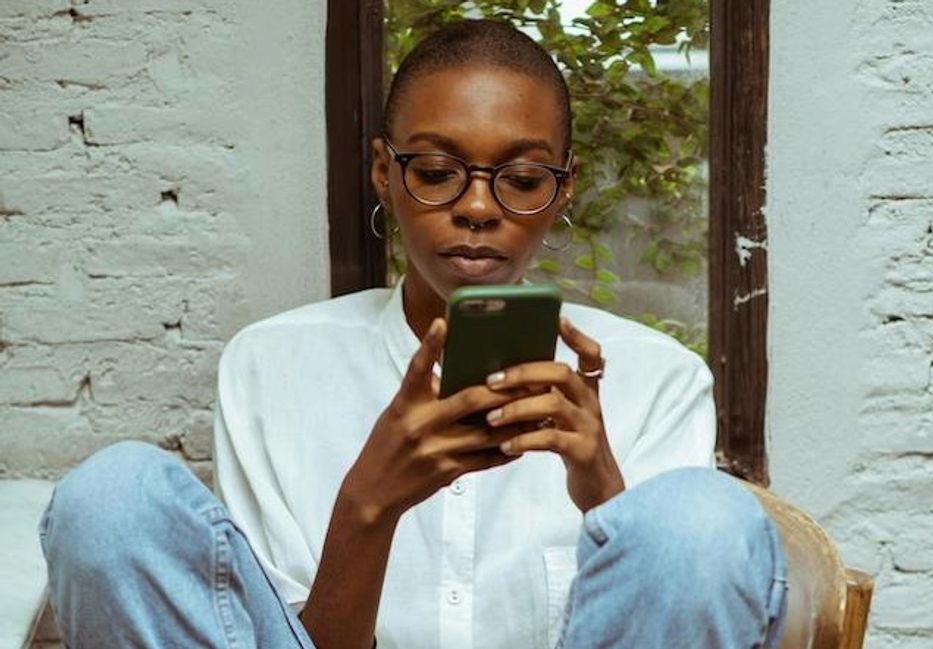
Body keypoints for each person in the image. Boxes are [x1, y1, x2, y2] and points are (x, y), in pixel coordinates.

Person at [39, 19, 787, 649]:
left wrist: (604, 493)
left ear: (562, 187)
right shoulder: (273, 366)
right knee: (110, 498)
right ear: (382, 173)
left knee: (703, 518)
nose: (477, 208)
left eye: (522, 179)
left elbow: (665, 606)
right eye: (435, 170)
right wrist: (371, 502)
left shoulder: (656, 378)